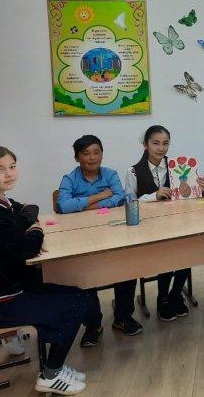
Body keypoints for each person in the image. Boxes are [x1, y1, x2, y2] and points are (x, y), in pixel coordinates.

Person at [0, 146, 89, 395]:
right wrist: (35, 228)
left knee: (79, 294)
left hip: (6, 289)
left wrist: (28, 223)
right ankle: (51, 374)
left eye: (12, 166)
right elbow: (27, 246)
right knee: (76, 302)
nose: (9, 174)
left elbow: (29, 209)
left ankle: (54, 366)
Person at [56, 135, 142, 343]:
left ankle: (122, 317)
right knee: (85, 276)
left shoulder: (110, 174)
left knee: (127, 267)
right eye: (86, 153)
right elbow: (63, 206)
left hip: (113, 232)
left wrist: (84, 205)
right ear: (77, 157)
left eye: (96, 152)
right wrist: (101, 196)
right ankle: (93, 324)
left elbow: (119, 197)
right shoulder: (69, 179)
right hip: (81, 236)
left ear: (102, 154)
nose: (92, 158)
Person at [125, 125, 196, 322]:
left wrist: (197, 186)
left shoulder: (177, 167)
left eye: (165, 143)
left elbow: (188, 194)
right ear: (145, 145)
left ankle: (175, 294)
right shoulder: (133, 172)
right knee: (167, 255)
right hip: (149, 228)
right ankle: (162, 298)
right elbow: (129, 202)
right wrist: (153, 196)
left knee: (187, 251)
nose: (161, 148)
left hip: (177, 222)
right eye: (155, 143)